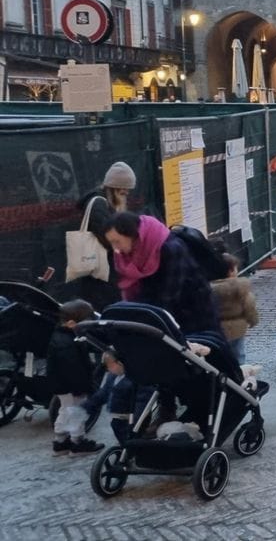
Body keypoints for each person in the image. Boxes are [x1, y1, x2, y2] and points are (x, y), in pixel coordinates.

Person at [105, 212, 222, 335]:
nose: (115, 249)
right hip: (162, 317)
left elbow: (168, 295)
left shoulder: (170, 248)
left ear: (132, 235)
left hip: (193, 317)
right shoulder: (128, 255)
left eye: (117, 241)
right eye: (111, 243)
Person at [68, 161, 138, 307]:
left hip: (102, 270)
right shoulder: (98, 204)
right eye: (124, 190)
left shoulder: (104, 203)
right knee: (103, 304)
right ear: (115, 188)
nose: (127, 194)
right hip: (100, 269)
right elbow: (108, 238)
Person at [47, 299, 103, 456]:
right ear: (72, 323)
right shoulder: (68, 343)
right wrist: (83, 387)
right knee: (76, 412)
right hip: (72, 386)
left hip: (61, 384)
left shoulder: (60, 335)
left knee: (65, 411)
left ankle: (60, 441)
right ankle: (78, 443)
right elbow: (74, 369)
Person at [211, 253, 259, 364]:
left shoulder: (209, 289)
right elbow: (249, 306)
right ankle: (241, 373)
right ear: (231, 271)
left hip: (217, 329)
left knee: (220, 353)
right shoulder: (240, 288)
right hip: (238, 329)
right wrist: (253, 321)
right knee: (239, 353)